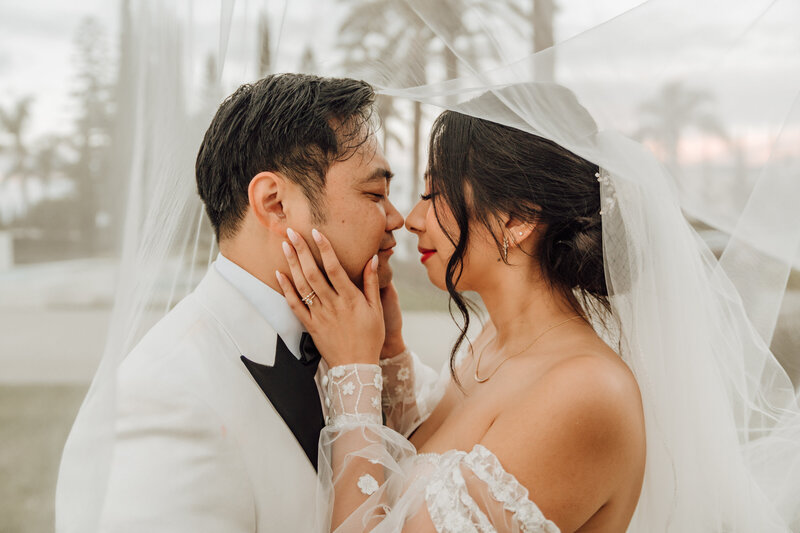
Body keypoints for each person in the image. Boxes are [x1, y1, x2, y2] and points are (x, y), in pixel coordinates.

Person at [55, 73, 409, 532]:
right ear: (275, 203)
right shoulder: (166, 401)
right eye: (375, 194)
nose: (397, 218)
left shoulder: (353, 342)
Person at [277, 107, 647, 532]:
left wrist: (353, 374)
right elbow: (419, 475)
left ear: (517, 217)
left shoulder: (586, 391)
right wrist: (388, 351)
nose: (412, 220)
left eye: (434, 195)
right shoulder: (491, 343)